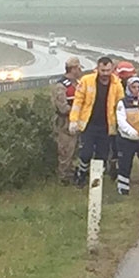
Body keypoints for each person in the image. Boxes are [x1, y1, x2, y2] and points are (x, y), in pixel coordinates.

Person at [69, 57, 125, 187]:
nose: (105, 73)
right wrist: (74, 120)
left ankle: (96, 183)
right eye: (103, 70)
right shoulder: (86, 81)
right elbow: (78, 102)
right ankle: (82, 174)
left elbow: (120, 105)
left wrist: (122, 123)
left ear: (112, 69)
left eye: (108, 70)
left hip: (106, 126)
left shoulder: (117, 84)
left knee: (102, 155)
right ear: (97, 69)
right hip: (88, 124)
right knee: (86, 153)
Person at [52, 57, 83, 185]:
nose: (80, 71)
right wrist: (79, 110)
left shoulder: (79, 83)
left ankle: (74, 173)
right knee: (65, 150)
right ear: (73, 69)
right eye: (79, 68)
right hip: (65, 123)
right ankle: (64, 177)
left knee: (77, 150)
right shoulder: (61, 86)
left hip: (79, 122)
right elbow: (62, 107)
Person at [116, 76, 139, 195]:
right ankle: (123, 187)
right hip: (126, 138)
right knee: (125, 163)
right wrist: (130, 131)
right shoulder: (122, 102)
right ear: (128, 88)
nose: (136, 89)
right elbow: (121, 120)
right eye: (133, 87)